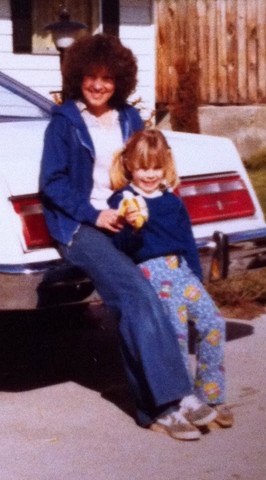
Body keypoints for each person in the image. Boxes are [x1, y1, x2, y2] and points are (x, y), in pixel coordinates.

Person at [40, 33, 217, 440]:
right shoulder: (65, 123)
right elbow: (54, 184)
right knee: (135, 294)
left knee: (153, 295)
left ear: (119, 80)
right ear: (77, 77)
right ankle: (170, 402)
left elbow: (147, 165)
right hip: (81, 227)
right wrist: (94, 214)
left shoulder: (130, 119)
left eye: (107, 78)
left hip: (129, 220)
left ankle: (160, 404)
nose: (98, 85)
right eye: (90, 76)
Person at [108, 128, 233, 429]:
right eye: (142, 167)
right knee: (174, 335)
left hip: (181, 271)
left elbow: (187, 241)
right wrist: (132, 228)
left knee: (213, 322)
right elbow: (118, 248)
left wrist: (197, 276)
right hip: (151, 272)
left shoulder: (172, 201)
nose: (149, 174)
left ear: (165, 165)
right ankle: (182, 399)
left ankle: (210, 394)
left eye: (155, 167)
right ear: (129, 166)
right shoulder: (123, 201)